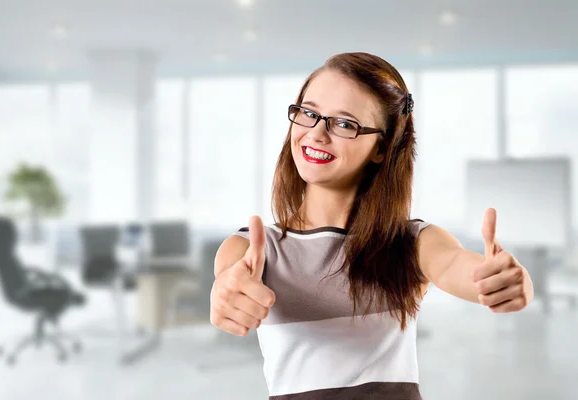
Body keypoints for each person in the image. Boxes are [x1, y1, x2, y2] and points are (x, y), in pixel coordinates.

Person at [209, 52, 534, 400]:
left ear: (381, 147)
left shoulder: (412, 243)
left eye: (344, 124)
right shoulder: (250, 250)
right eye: (308, 113)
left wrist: (511, 282)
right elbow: (228, 285)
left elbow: (461, 267)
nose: (317, 133)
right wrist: (226, 295)